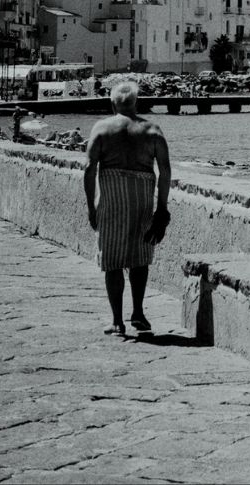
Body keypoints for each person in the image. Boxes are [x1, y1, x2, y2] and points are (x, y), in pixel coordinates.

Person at [83, 81, 172, 338]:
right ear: (136, 103)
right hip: (142, 201)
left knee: (112, 262)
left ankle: (116, 321)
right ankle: (138, 313)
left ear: (112, 104)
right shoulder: (152, 130)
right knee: (139, 259)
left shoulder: (101, 128)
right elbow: (165, 172)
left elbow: (89, 169)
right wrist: (162, 208)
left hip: (111, 200)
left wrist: (91, 206)